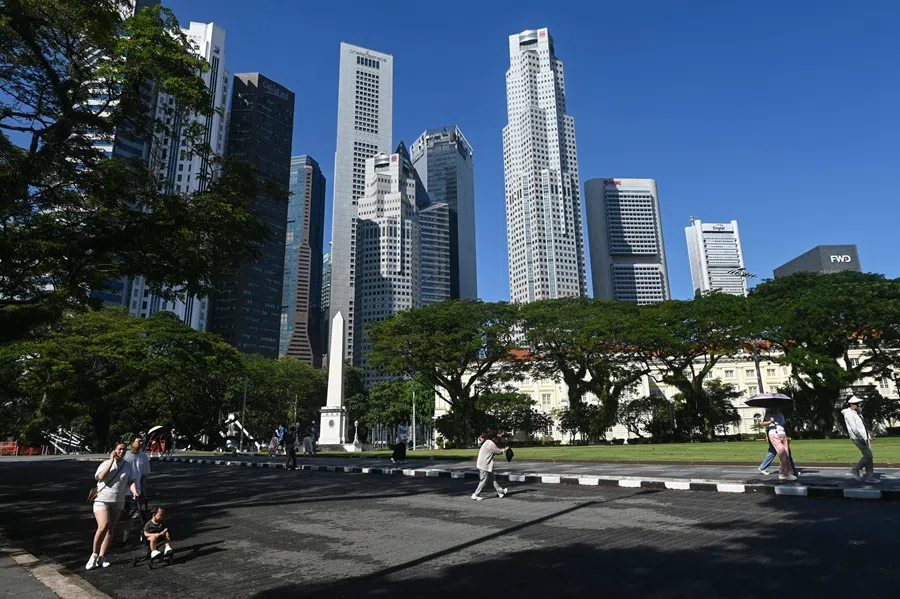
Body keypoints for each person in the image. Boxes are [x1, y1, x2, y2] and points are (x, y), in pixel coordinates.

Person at [87, 443, 138, 570]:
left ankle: (102, 556)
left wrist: (135, 491)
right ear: (114, 450)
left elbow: (130, 481)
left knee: (111, 529)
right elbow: (100, 477)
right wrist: (111, 461)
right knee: (103, 525)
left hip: (118, 500)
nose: (122, 451)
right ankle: (93, 555)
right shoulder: (105, 463)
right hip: (102, 499)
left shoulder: (127, 466)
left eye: (124, 450)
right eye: (119, 449)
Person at [842, 396, 879, 484]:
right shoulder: (848, 413)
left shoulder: (857, 413)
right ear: (851, 404)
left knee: (869, 457)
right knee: (868, 456)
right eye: (856, 404)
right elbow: (854, 428)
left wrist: (868, 435)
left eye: (858, 404)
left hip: (864, 437)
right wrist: (860, 437)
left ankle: (869, 476)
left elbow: (862, 426)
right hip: (858, 438)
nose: (858, 405)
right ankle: (855, 469)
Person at [758, 410, 798, 476]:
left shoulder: (781, 414)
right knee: (783, 452)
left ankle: (763, 467)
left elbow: (784, 425)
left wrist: (788, 435)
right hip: (774, 435)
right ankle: (787, 471)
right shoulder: (769, 414)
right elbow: (764, 424)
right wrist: (770, 422)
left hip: (782, 434)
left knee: (773, 451)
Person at [472, 432, 509, 500]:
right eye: (496, 437)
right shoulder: (490, 444)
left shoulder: (487, 442)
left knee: (493, 478)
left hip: (484, 464)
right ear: (493, 437)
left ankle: (500, 492)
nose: (497, 439)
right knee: (484, 480)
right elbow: (498, 451)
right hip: (484, 465)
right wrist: (505, 450)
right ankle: (475, 494)